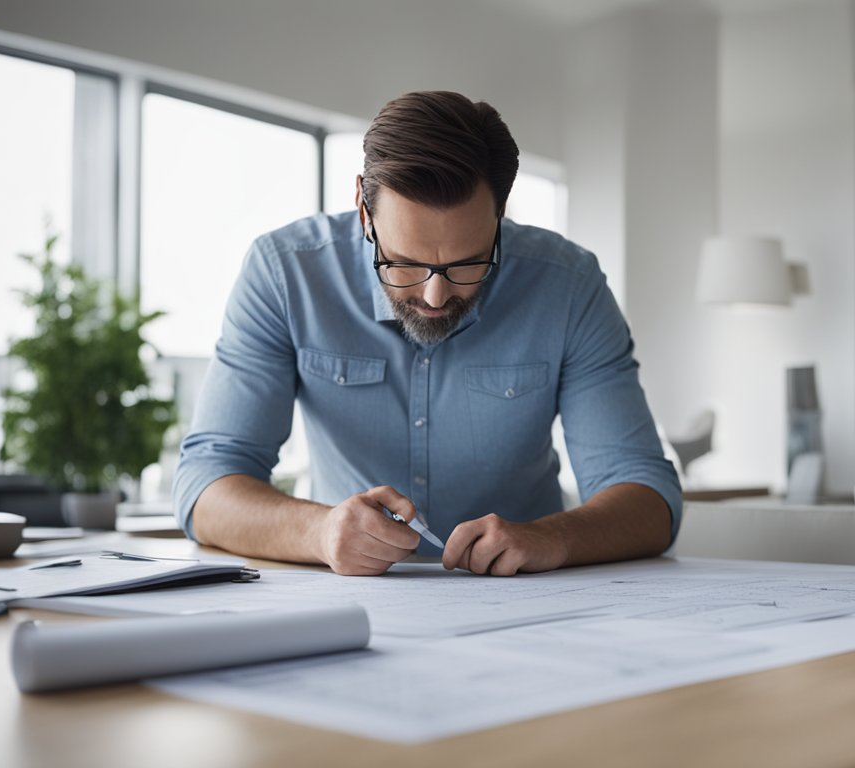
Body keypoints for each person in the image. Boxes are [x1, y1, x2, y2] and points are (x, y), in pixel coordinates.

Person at [174, 91, 681, 577]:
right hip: (352, 599)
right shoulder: (285, 274)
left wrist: (554, 537)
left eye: (468, 263)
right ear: (363, 209)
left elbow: (649, 496)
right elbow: (204, 485)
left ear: (500, 213)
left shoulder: (569, 285)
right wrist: (320, 532)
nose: (436, 297)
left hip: (527, 603)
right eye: (404, 263)